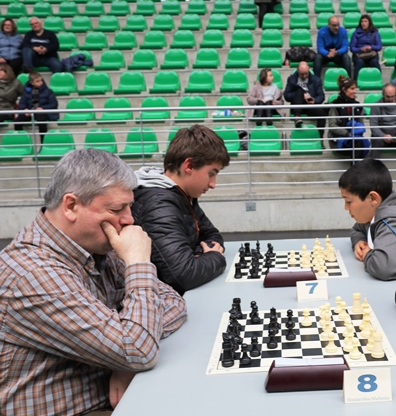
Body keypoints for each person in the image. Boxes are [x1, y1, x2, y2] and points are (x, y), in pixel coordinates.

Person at [0, 148, 188, 415]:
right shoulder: (32, 274)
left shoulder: (95, 246)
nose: (129, 219)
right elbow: (137, 349)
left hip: (115, 395)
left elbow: (173, 301)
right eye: (116, 209)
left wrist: (124, 359)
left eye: (129, 206)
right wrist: (138, 263)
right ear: (71, 206)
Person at [132, 125, 231, 295]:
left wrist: (198, 256)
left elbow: (212, 235)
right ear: (189, 165)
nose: (213, 184)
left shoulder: (181, 194)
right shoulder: (158, 204)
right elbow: (182, 275)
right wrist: (215, 258)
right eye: (211, 173)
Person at [327, 75, 369, 160]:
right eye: (352, 89)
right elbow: (332, 126)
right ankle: (356, 167)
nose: (355, 91)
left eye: (355, 89)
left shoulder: (357, 106)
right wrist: (347, 133)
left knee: (360, 142)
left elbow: (361, 125)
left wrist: (355, 132)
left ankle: (355, 167)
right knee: (357, 143)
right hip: (338, 140)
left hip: (355, 139)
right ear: (344, 89)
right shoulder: (335, 105)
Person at [14, 71, 58, 144]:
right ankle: (20, 142)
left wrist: (43, 108)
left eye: (41, 80)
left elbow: (54, 104)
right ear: (32, 82)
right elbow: (21, 103)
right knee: (18, 121)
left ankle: (43, 143)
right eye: (37, 81)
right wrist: (25, 109)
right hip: (30, 112)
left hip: (43, 112)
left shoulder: (49, 91)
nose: (40, 82)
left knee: (41, 118)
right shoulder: (26, 92)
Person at [283, 61, 326, 131]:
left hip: (310, 105)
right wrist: (300, 94)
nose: (304, 76)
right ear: (298, 71)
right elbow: (286, 96)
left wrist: (314, 100)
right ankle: (297, 117)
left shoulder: (316, 80)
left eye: (306, 73)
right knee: (299, 91)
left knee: (322, 113)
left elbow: (321, 96)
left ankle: (320, 136)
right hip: (297, 105)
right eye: (302, 74)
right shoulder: (292, 79)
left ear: (309, 69)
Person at [349, 14, 382, 82]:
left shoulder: (375, 32)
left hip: (371, 54)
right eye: (362, 21)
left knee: (374, 62)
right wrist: (360, 49)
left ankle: (378, 80)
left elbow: (379, 46)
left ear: (369, 22)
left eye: (365, 21)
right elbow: (352, 48)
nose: (363, 23)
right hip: (359, 55)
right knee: (359, 62)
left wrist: (371, 47)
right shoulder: (356, 33)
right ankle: (355, 81)